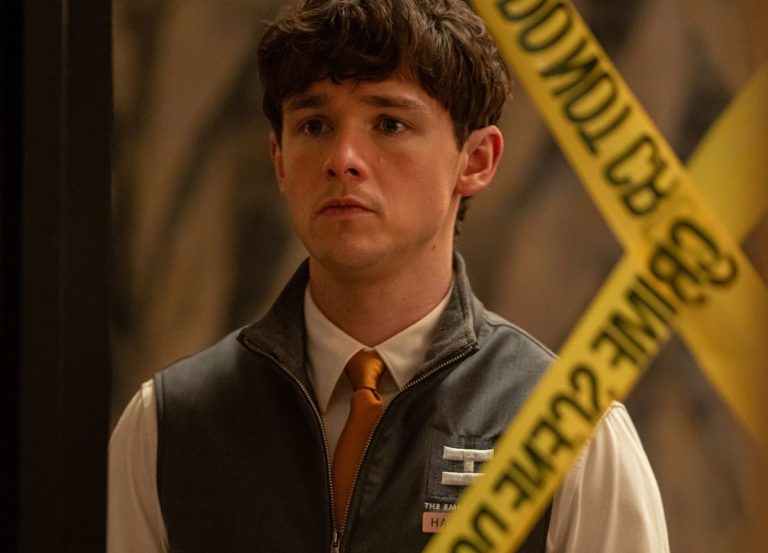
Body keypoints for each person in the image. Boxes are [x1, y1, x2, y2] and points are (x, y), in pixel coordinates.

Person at [108, 0, 670, 551]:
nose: (343, 158)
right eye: (314, 125)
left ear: (476, 160)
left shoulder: (573, 434)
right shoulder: (166, 427)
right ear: (279, 160)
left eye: (389, 123)